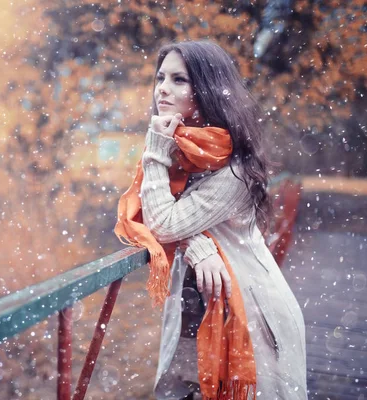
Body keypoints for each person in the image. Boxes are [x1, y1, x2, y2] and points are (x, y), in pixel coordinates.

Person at [114, 40, 307, 400]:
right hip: (202, 306)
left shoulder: (231, 169)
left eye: (179, 80)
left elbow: (163, 225)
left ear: (205, 90)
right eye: (160, 77)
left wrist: (155, 150)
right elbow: (172, 218)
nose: (163, 88)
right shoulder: (185, 153)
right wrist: (197, 243)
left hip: (251, 316)